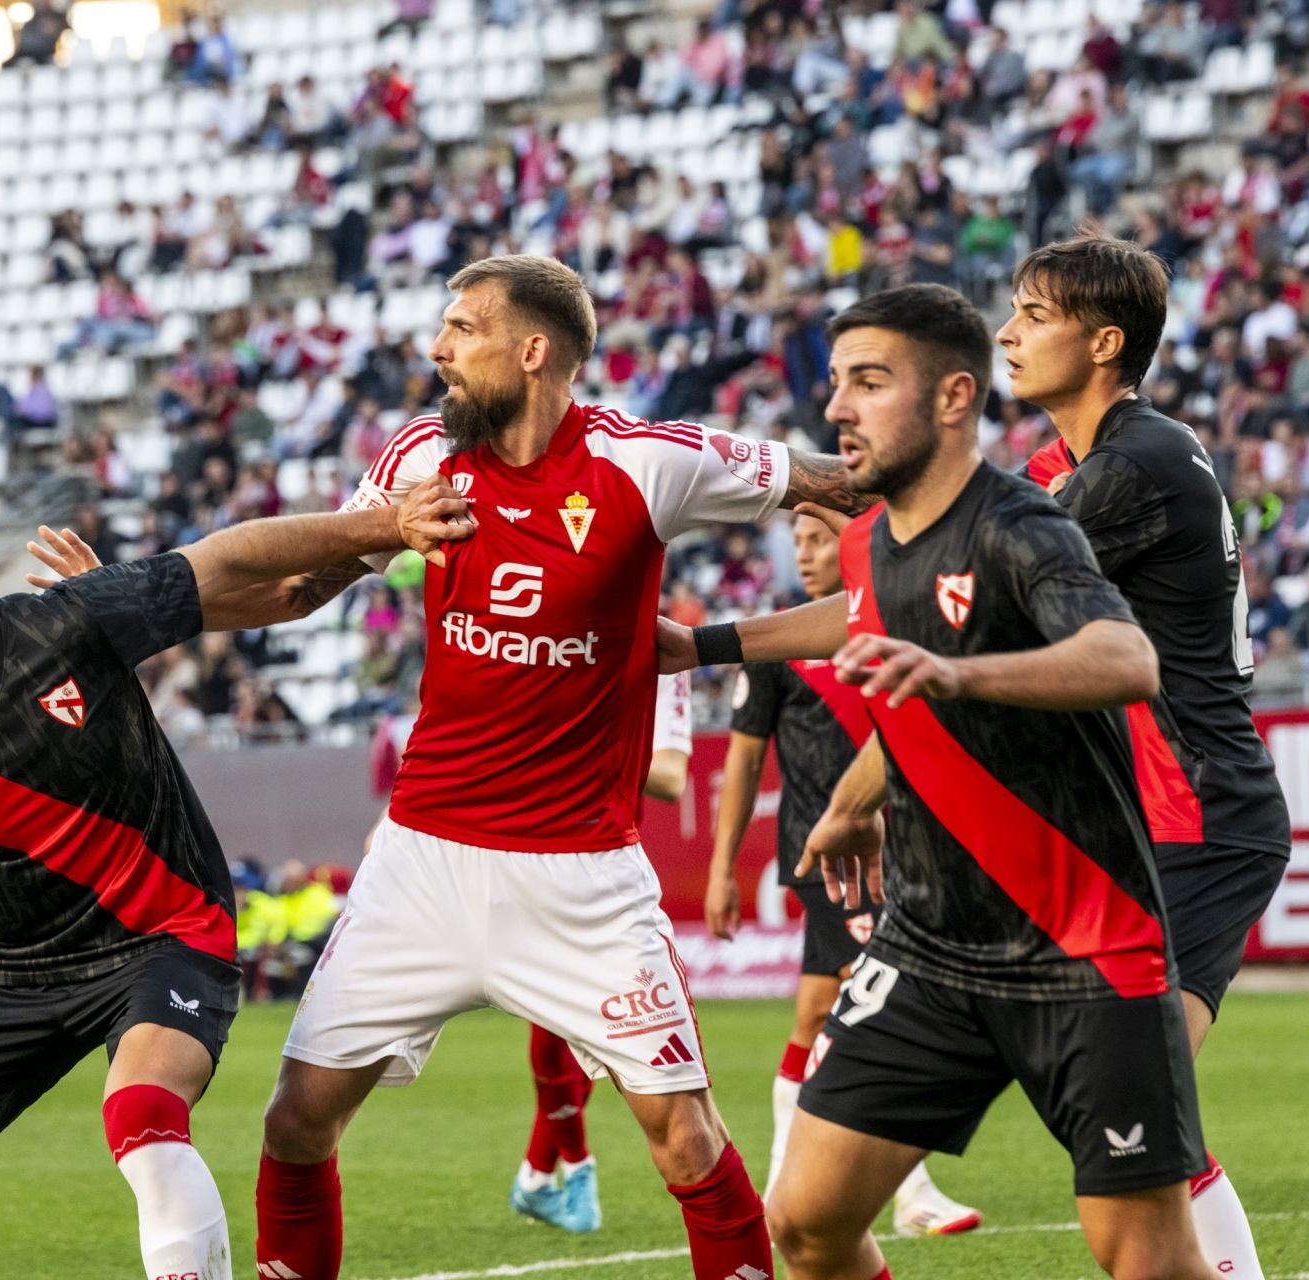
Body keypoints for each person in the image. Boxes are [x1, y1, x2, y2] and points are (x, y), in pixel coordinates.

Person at [29, 254, 870, 1279]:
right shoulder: (423, 455)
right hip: (420, 859)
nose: (437, 349)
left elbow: (840, 478)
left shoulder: (650, 461)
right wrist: (126, 606)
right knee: (296, 1120)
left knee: (684, 1135)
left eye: (462, 329)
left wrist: (983, 524)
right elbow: (296, 589)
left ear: (533, 351)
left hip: (582, 875)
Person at [0, 479, 470, 1280]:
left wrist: (384, 526)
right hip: (18, 973)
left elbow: (233, 561)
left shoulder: (74, 621)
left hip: (165, 936)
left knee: (143, 1119)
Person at [658, 284, 1213, 1280]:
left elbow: (1125, 657)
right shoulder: (870, 534)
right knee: (808, 1221)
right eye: (837, 384)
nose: (838, 408)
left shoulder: (1023, 525)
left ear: (955, 396)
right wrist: (699, 644)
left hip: (1082, 950)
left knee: (1147, 1256)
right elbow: (854, 611)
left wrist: (956, 673)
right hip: (930, 948)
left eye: (869, 383)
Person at [1008, 236, 1291, 1280]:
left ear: (1105, 342)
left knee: (1132, 1104)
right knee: (1123, 1105)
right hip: (1157, 817)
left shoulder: (1135, 463)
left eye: (1034, 314)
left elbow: (978, 582)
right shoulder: (1104, 459)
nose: (1009, 331)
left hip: (1203, 814)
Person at [705, 511, 981, 1235]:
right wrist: (722, 868)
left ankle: (781, 1188)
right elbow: (742, 757)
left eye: (820, 537)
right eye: (796, 541)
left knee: (818, 1015)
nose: (807, 550)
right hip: (830, 861)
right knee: (874, 1003)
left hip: (911, 851)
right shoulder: (778, 646)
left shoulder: (888, 623)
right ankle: (909, 1189)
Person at [510, 669, 694, 1234]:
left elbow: (670, 778)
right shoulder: (553, 637)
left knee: (601, 1037)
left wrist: (578, 742)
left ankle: (558, 1175)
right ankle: (548, 1175)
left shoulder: (669, 657)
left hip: (605, 876)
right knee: (554, 1035)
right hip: (530, 859)